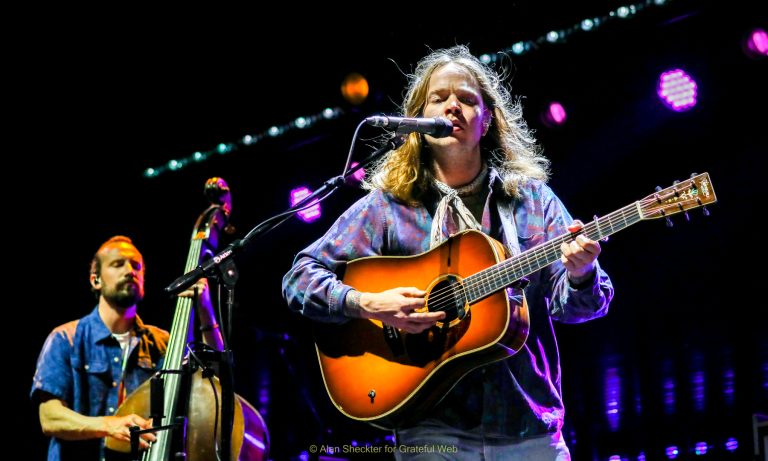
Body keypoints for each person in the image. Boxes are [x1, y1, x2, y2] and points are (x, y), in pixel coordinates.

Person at [283, 45, 614, 460]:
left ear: (488, 119)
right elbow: (300, 277)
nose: (452, 106)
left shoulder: (532, 200)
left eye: (467, 99)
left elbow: (579, 307)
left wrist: (582, 272)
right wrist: (366, 302)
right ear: (417, 122)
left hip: (528, 427)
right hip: (431, 431)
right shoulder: (389, 206)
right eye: (438, 99)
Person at [31, 235, 224, 461]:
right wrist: (109, 425)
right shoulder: (65, 338)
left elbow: (217, 379)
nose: (130, 270)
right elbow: (50, 418)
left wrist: (205, 309)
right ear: (96, 280)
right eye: (118, 264)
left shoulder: (164, 344)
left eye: (136, 265)